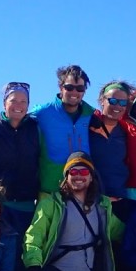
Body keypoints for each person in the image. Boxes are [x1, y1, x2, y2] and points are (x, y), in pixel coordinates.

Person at [0, 82, 40, 235]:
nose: (18, 105)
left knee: (24, 256)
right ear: (5, 103)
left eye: (23, 101)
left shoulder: (36, 129)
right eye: (13, 100)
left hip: (27, 207)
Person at [33, 64, 94, 196]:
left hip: (82, 190)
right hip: (51, 189)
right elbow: (17, 119)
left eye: (80, 88)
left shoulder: (92, 115)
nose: (74, 92)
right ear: (61, 87)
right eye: (69, 87)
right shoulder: (42, 113)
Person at [88, 80, 132, 220]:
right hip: (91, 200)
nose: (118, 106)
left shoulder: (127, 132)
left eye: (123, 103)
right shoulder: (87, 125)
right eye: (112, 100)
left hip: (120, 202)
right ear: (102, 101)